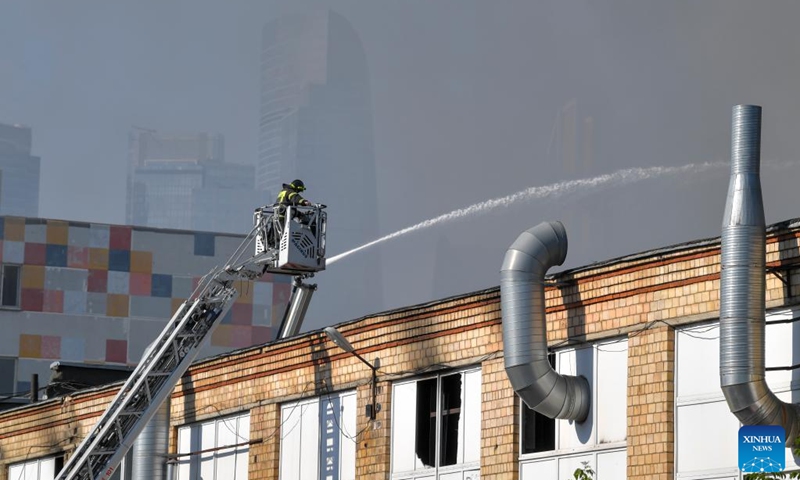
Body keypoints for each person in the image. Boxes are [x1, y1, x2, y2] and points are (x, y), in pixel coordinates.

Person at [267, 179, 314, 247]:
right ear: (296, 188)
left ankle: (273, 245)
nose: (298, 192)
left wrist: (299, 214)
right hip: (283, 216)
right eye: (298, 190)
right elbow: (295, 198)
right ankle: (278, 247)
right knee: (283, 235)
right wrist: (304, 202)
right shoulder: (290, 191)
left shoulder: (283, 191)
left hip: (277, 215)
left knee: (276, 234)